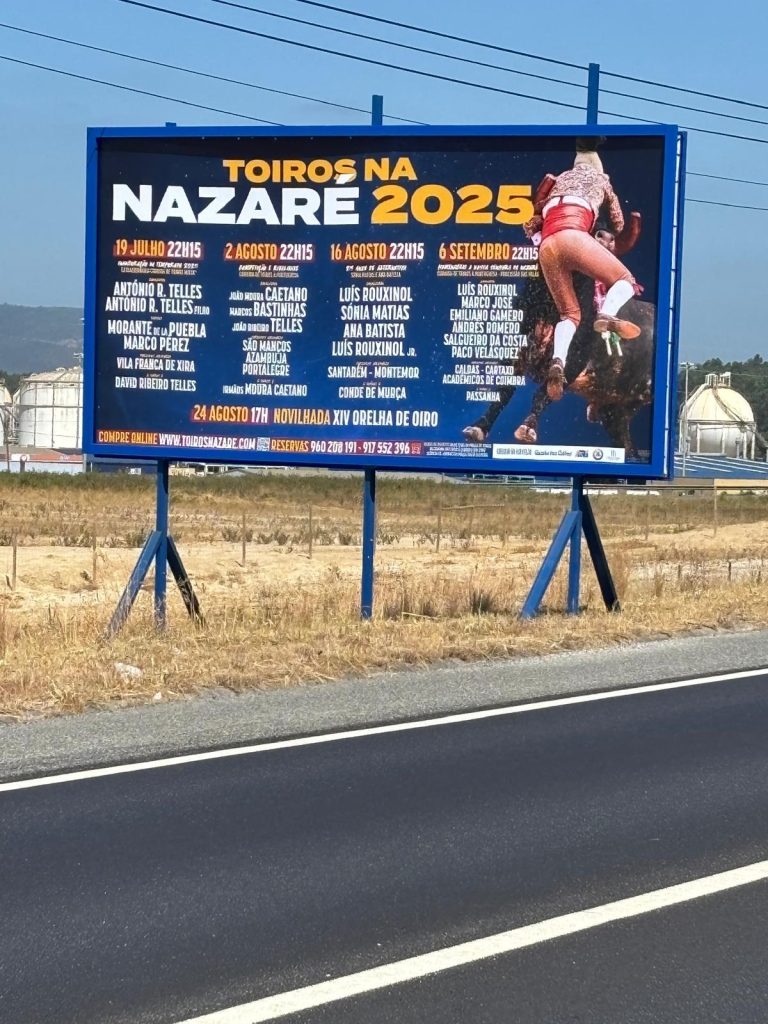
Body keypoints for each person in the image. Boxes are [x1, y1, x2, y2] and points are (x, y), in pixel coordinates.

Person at [525, 144, 639, 402]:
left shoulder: (557, 181)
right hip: (574, 236)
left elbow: (533, 220)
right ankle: (607, 314)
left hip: (548, 247)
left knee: (569, 314)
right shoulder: (601, 180)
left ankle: (558, 361)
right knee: (625, 281)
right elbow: (618, 224)